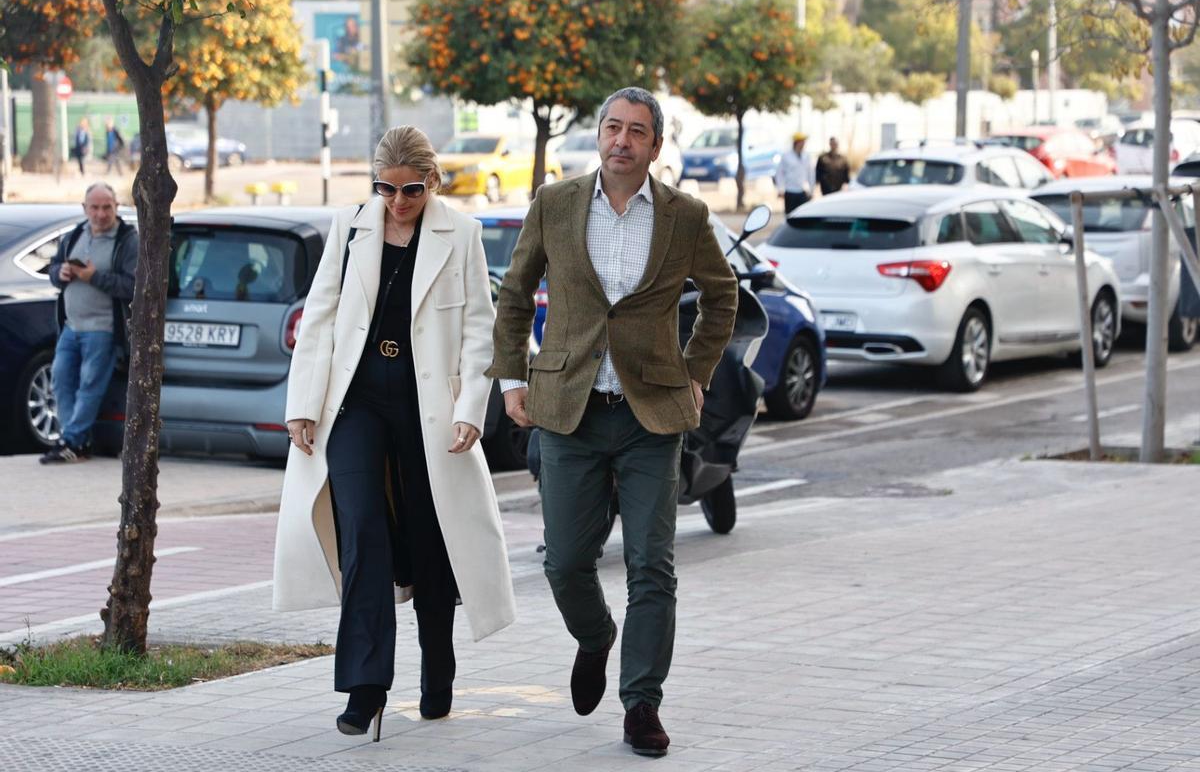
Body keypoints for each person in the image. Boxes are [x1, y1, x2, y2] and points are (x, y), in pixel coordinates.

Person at [488, 87, 738, 757]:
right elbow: (514, 296)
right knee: (566, 562)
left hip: (651, 415)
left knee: (652, 566)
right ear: (599, 135)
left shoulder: (685, 216)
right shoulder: (556, 203)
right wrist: (513, 378)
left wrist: (696, 370)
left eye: (636, 132)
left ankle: (642, 704)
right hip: (568, 411)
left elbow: (722, 298)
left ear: (656, 147)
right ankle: (595, 637)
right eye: (612, 128)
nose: (622, 140)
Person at [272, 126, 515, 742]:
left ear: (431, 182)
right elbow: (320, 312)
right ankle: (365, 686)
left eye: (410, 189)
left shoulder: (461, 232)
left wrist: (469, 406)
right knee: (362, 533)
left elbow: (479, 329)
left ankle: (438, 668)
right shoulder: (351, 225)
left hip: (426, 400)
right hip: (356, 399)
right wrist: (303, 402)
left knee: (431, 538)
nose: (398, 201)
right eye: (386, 188)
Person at [42, 182, 138, 463]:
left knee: (89, 386)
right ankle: (76, 441)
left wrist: (94, 277)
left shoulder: (126, 240)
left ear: (116, 207)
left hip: (103, 329)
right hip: (71, 327)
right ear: (85, 209)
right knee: (60, 380)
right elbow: (52, 269)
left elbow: (132, 285)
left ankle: (72, 441)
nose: (100, 214)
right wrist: (60, 272)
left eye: (106, 207)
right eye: (94, 208)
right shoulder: (75, 235)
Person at [774, 131, 815, 214]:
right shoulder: (786, 156)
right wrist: (780, 189)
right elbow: (779, 174)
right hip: (790, 191)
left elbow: (811, 174)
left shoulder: (807, 156)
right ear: (796, 143)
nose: (803, 144)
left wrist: (811, 190)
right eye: (801, 142)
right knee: (790, 215)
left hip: (803, 191)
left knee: (802, 216)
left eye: (804, 142)